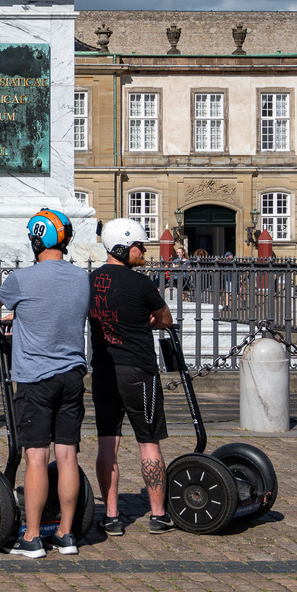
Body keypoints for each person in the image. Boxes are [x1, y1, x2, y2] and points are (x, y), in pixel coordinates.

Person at [0, 209, 90, 559]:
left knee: (36, 457)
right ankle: (65, 534)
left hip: (36, 379)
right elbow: (58, 307)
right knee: (67, 456)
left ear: (36, 240)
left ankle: (32, 537)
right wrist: (23, 313)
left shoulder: (22, 279)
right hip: (73, 377)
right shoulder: (82, 278)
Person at [89, 219, 175, 536]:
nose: (144, 251)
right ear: (124, 248)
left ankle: (111, 517)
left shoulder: (91, 280)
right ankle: (158, 513)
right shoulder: (141, 284)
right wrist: (146, 321)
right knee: (148, 444)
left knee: (107, 444)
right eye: (141, 246)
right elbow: (164, 319)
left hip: (104, 371)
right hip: (139, 371)